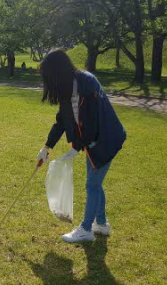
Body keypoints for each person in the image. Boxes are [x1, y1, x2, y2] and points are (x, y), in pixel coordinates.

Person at [36, 49, 126, 243]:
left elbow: (92, 124)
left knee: (92, 184)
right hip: (92, 142)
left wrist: (76, 147)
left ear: (58, 72)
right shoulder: (67, 89)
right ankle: (101, 224)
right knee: (95, 183)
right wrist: (47, 147)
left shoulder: (86, 84)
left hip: (106, 139)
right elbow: (62, 121)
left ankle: (86, 229)